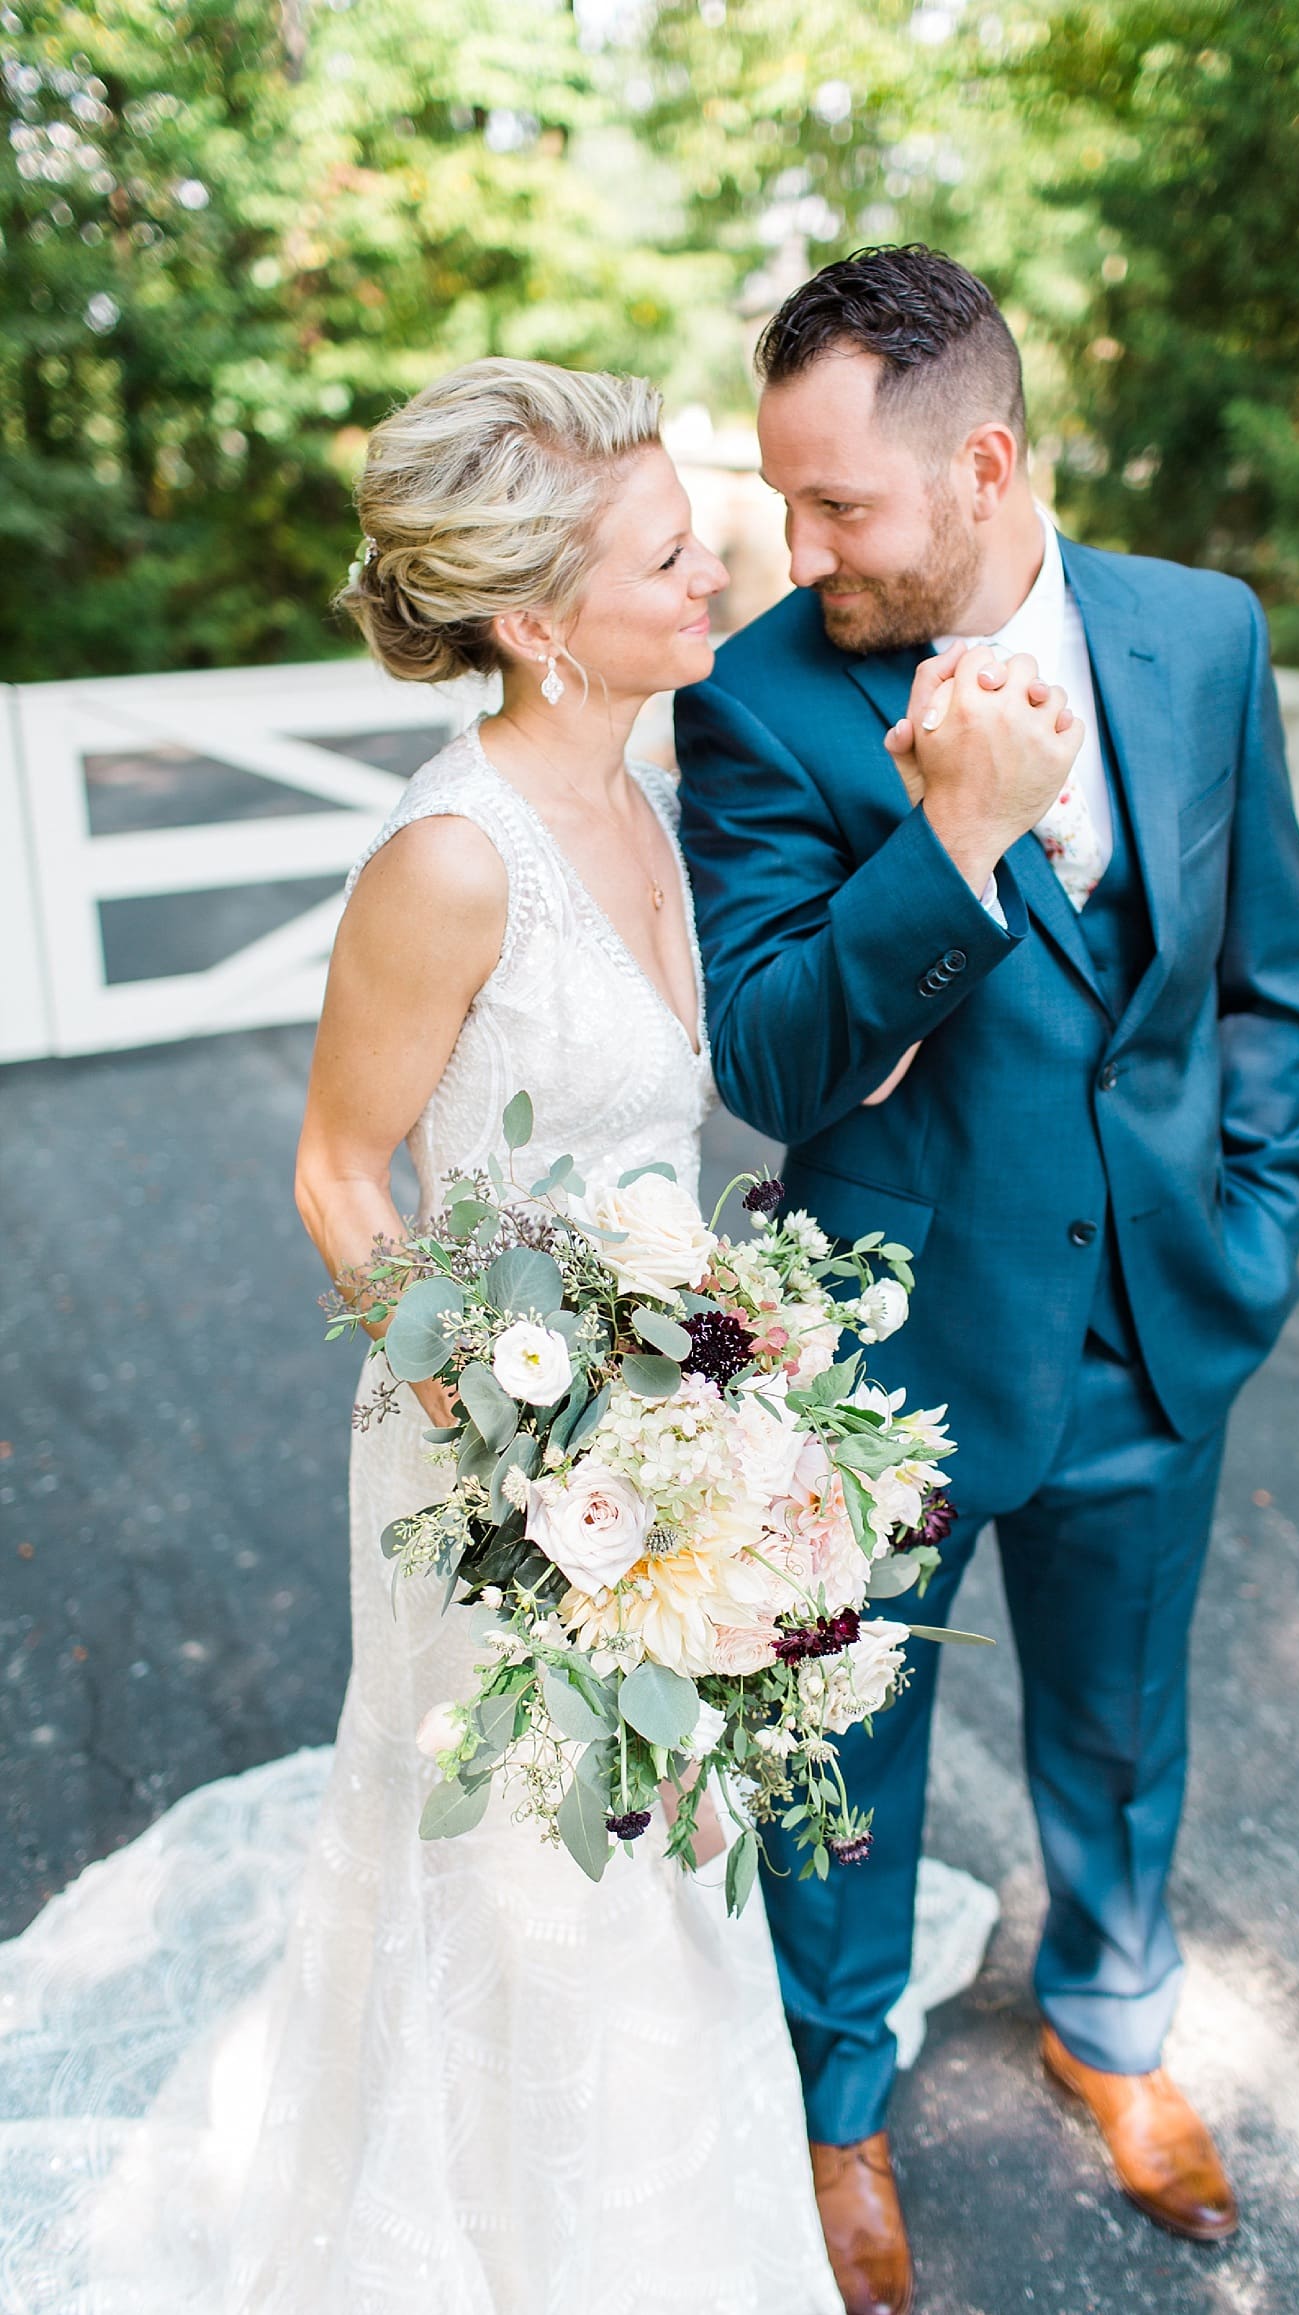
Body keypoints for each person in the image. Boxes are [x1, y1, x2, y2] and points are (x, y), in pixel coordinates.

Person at [9, 358, 849, 2315]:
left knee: (653, 1860)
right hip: (513, 1462)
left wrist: (702, 1423)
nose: (713, 566)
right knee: (533, 1887)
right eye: (668, 553)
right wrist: (549, 1448)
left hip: (666, 1439)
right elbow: (337, 1178)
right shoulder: (452, 859)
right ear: (539, 623)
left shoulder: (643, 791)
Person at [676, 245, 1299, 2315]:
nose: (800, 548)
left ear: (984, 464)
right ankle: (837, 2102)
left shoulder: (1195, 633)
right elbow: (771, 1056)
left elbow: (1263, 977)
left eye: (839, 506)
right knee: (840, 1756)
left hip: (1161, 1318)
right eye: (781, 501)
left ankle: (1110, 2033)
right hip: (884, 1348)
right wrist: (946, 843)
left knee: (1125, 1727)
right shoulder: (764, 694)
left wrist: (1254, 1222)